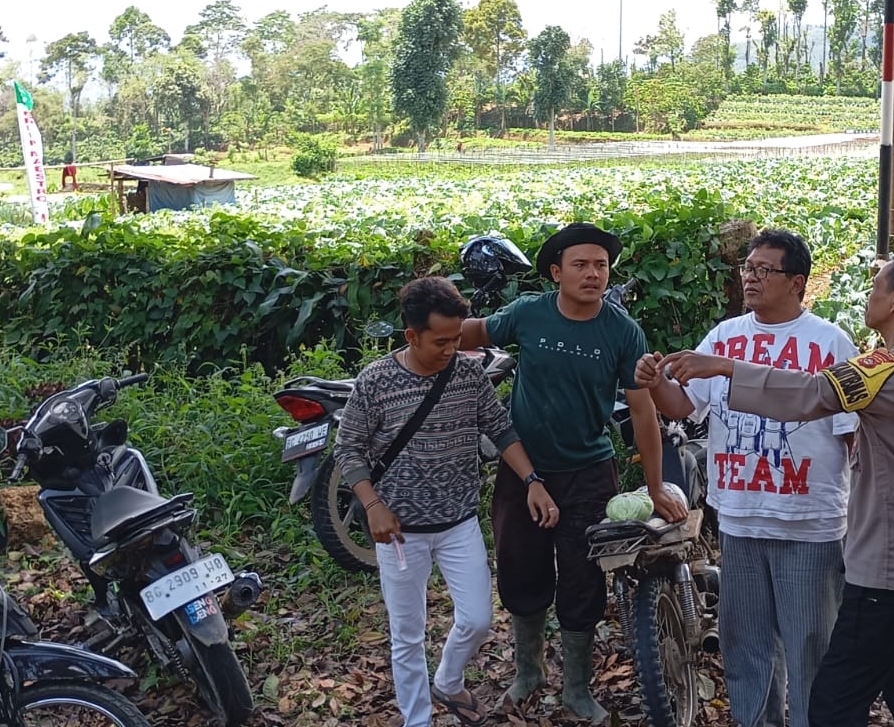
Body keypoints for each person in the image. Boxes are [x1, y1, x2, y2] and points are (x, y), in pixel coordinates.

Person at [652, 251, 894, 727]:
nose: (869, 296)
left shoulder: (884, 367)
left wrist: (728, 368)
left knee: (832, 698)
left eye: (875, 288)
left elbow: (812, 393)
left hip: (883, 556)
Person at [458, 221, 688, 720]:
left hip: (589, 471)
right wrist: (425, 338)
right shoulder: (528, 313)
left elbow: (643, 411)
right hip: (523, 469)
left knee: (584, 578)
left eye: (601, 265)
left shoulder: (622, 331)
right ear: (556, 272)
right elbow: (469, 332)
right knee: (520, 568)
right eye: (580, 264)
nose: (592, 274)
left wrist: (654, 487)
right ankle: (528, 672)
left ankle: (577, 689)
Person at [635, 228, 857, 727]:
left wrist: (859, 514)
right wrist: (655, 384)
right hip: (739, 517)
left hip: (809, 522)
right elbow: (684, 405)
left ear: (797, 282)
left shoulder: (829, 342)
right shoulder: (725, 335)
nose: (751, 278)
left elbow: (851, 437)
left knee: (810, 647)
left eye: (764, 270)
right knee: (746, 645)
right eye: (748, 268)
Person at [335, 277, 556, 727]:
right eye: (441, 341)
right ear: (411, 335)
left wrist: (532, 479)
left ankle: (449, 680)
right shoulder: (376, 381)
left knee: (477, 619)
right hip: (400, 533)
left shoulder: (469, 374)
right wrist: (373, 505)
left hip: (458, 522)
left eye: (457, 338)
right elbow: (348, 448)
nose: (452, 349)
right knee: (407, 634)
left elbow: (500, 429)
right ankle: (417, 719)